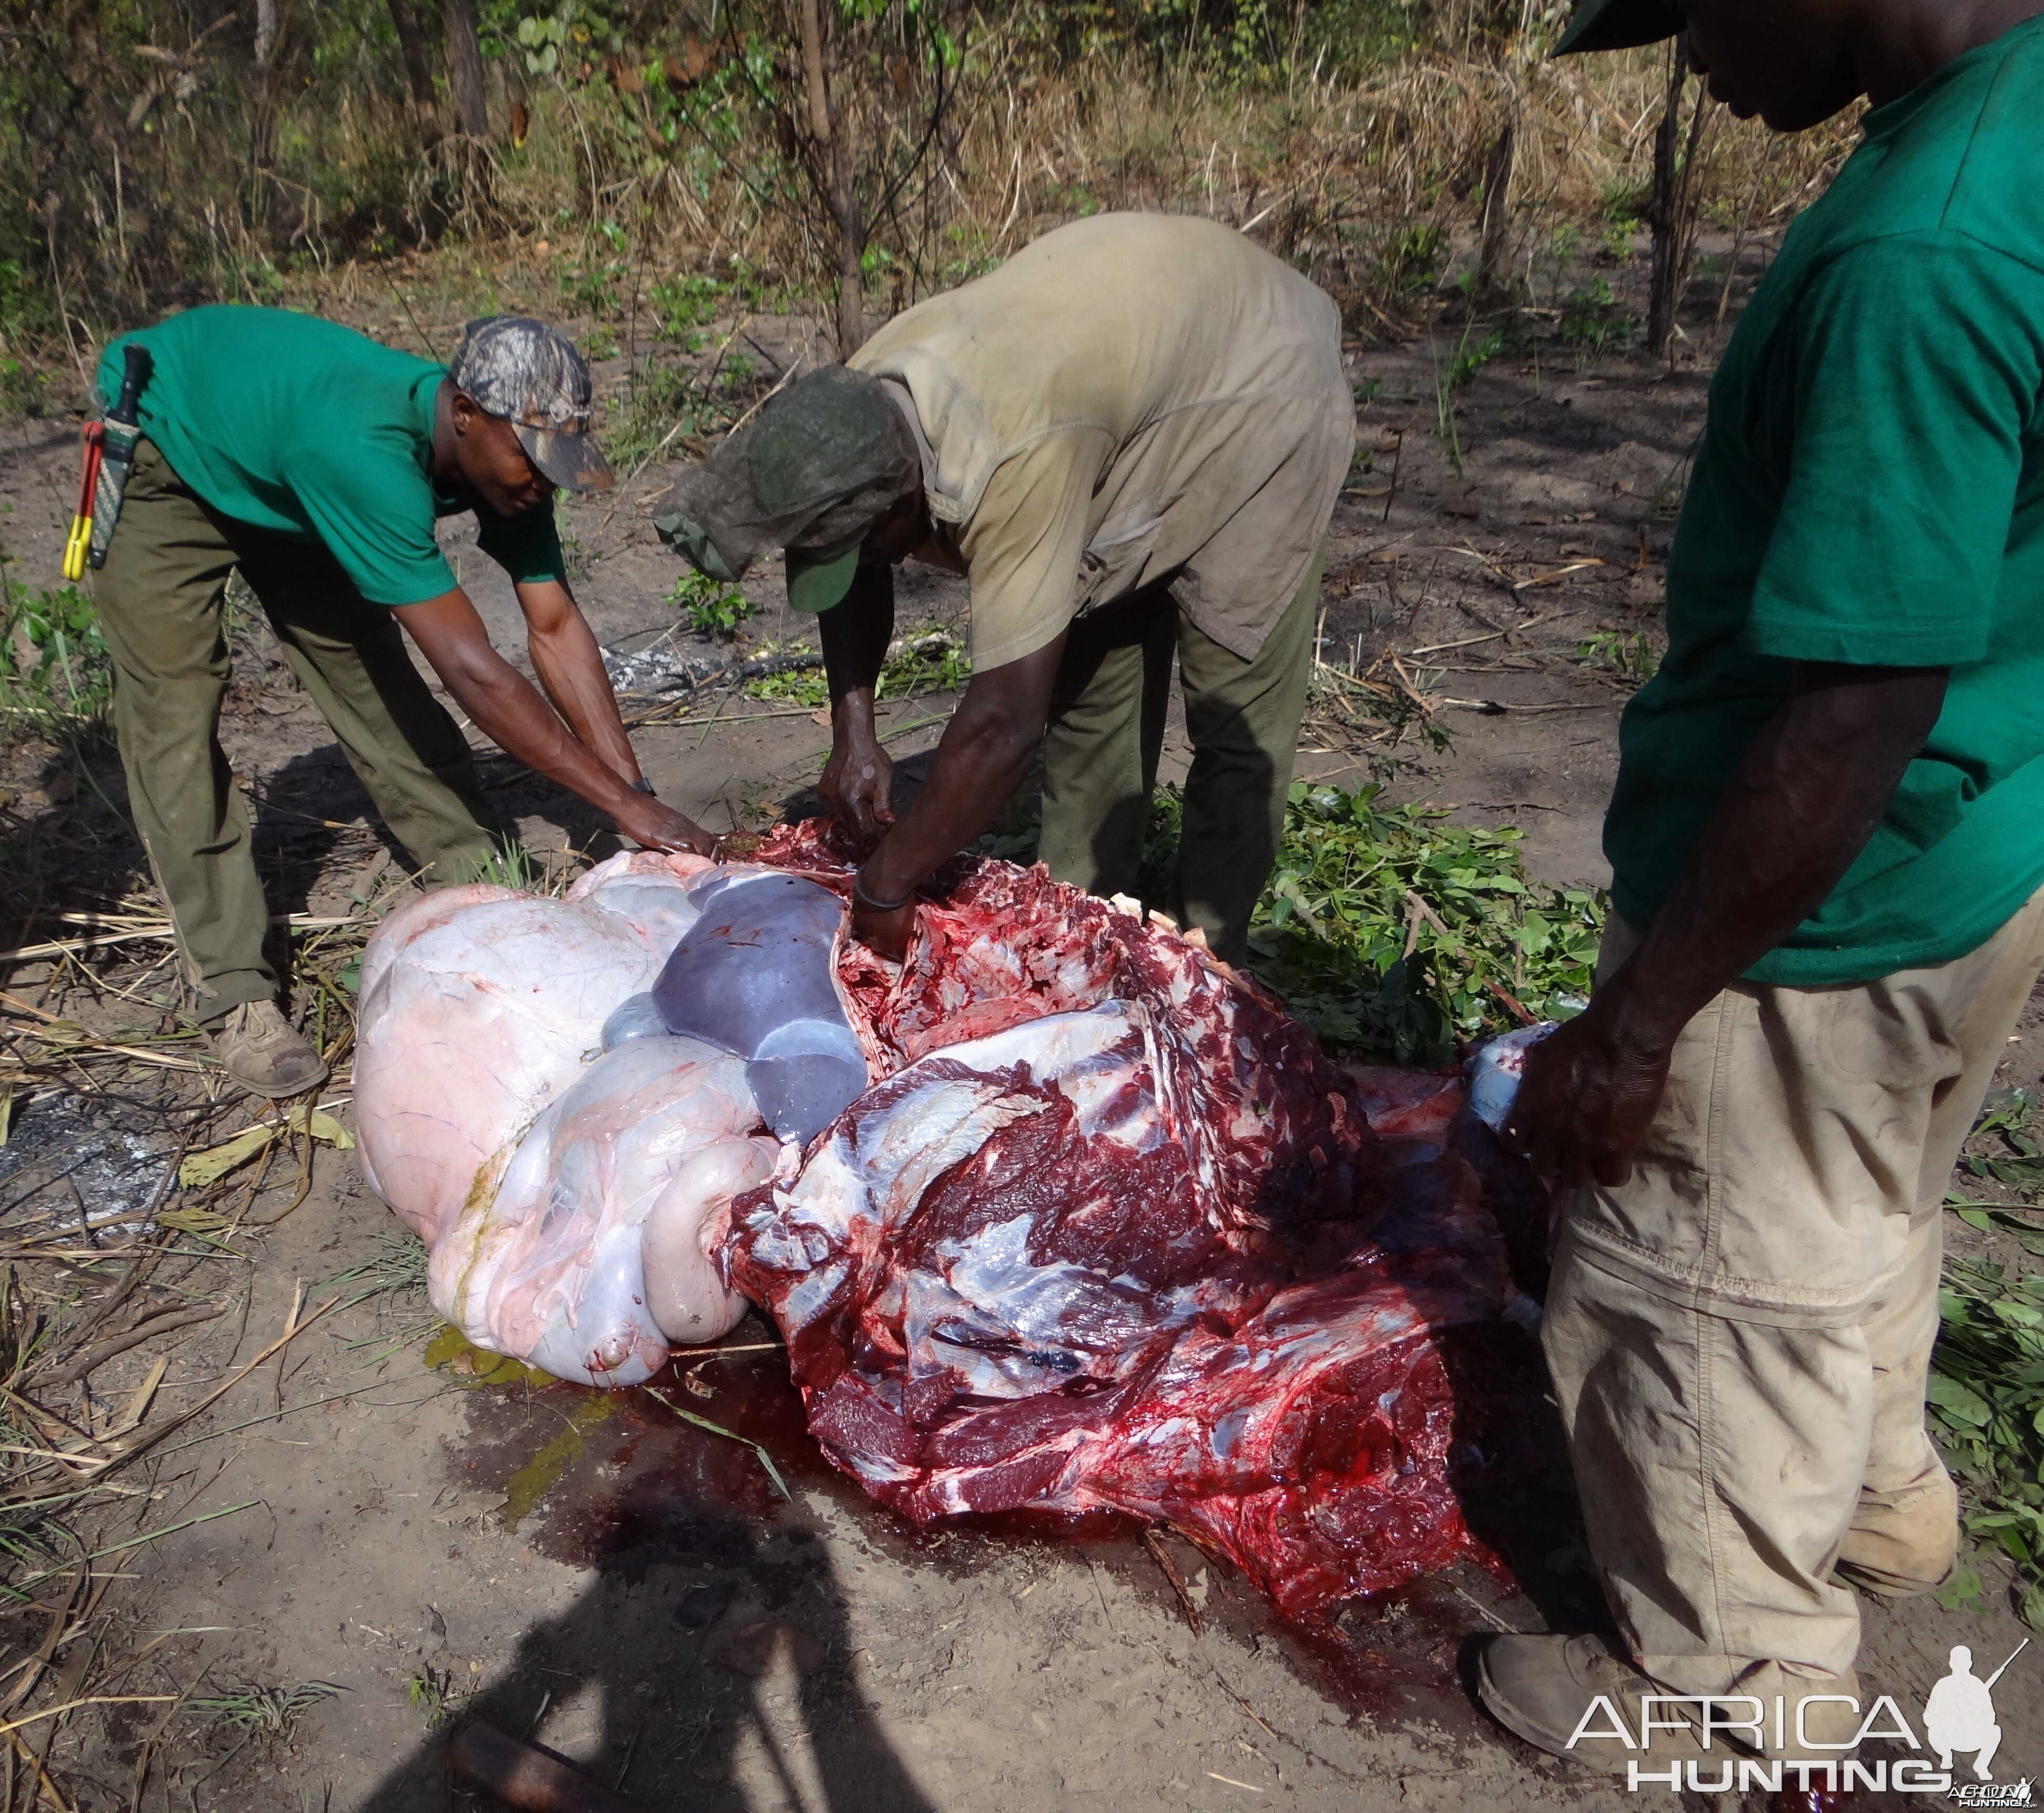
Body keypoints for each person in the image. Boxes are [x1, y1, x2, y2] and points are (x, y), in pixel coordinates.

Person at [1482, 0, 2044, 1769]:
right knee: (1853, 1217)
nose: (1694, 69)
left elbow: (1850, 708)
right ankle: (1876, 1508)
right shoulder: (2006, 120)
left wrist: (1635, 1020)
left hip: (1811, 902)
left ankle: (1720, 1683)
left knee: (1693, 1271)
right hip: (1973, 841)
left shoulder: (1920, 249)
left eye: (1695, 14)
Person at [653, 212, 1353, 960]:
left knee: (1233, 716)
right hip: (1127, 380)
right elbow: (858, 567)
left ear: (903, 501)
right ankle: (1082, 929)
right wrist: (854, 735)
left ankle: (1204, 966)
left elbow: (1004, 723)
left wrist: (886, 884)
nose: (871, 560)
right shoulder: (856, 409)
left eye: (876, 543)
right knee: (1089, 696)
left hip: (1262, 390)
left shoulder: (1012, 457)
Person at [84, 308, 718, 1097]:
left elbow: (553, 627)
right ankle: (234, 989)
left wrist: (635, 801)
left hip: (284, 459)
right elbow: (470, 667)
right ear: (465, 415)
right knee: (173, 720)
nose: (541, 480)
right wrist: (618, 801)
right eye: (533, 459)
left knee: (367, 672)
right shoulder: (365, 456)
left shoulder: (511, 473)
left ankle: (474, 867)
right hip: (166, 439)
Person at [1925, 1646, 2004, 1780]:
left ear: (1970, 1664)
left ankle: (1981, 1766)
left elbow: (1991, 1717)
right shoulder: (1942, 1685)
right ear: (1951, 1664)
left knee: (1995, 1731)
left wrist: (1973, 1717)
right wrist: (1946, 1719)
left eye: (1963, 1662)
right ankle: (1946, 1755)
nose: (1960, 1666)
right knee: (1933, 1730)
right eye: (1957, 1662)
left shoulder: (1978, 1686)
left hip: (1972, 1737)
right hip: (1948, 1737)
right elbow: (1929, 1715)